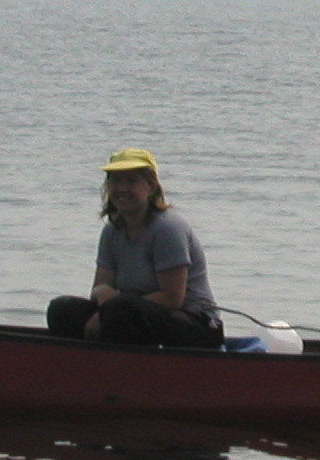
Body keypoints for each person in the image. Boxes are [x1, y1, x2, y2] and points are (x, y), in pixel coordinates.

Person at [46, 148, 224, 349]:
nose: (122, 189)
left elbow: (172, 298)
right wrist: (101, 305)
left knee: (120, 309)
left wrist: (110, 305)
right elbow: (101, 289)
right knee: (62, 309)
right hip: (130, 314)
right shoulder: (112, 231)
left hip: (196, 324)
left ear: (151, 186)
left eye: (131, 181)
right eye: (116, 181)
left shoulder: (167, 228)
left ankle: (122, 363)